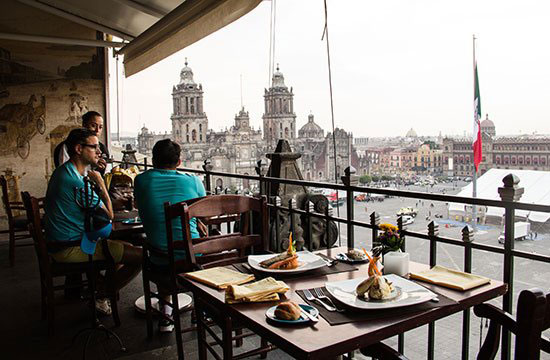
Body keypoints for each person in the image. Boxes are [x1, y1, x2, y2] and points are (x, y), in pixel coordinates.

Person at [45, 128, 142, 314]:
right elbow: (109, 215)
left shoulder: (65, 172)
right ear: (79, 148)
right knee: (139, 256)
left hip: (62, 242)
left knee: (122, 246)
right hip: (70, 247)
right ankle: (101, 295)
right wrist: (100, 183)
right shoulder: (76, 181)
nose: (99, 152)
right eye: (94, 147)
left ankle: (99, 286)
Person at [134, 139, 206, 333]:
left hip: (160, 260)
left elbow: (139, 207)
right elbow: (201, 209)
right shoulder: (193, 181)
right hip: (193, 258)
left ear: (152, 159)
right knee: (193, 242)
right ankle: (201, 309)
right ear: (179, 162)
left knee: (163, 245)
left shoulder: (140, 180)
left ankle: (166, 314)